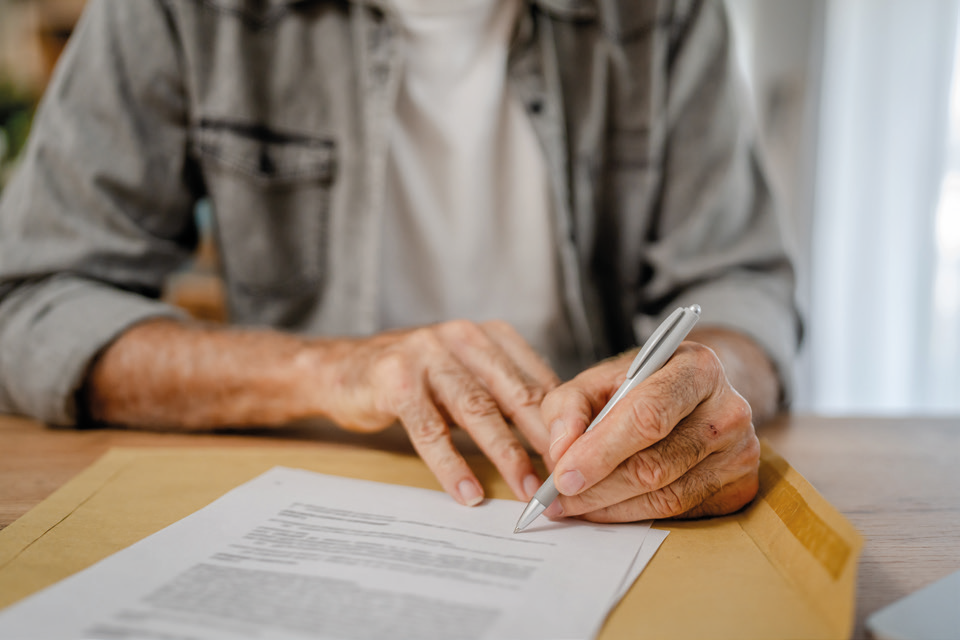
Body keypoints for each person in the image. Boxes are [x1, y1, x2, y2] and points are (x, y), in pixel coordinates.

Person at [0, 0, 800, 524]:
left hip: (586, 494)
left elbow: (739, 284)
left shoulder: (666, 14)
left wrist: (698, 386)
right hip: (302, 491)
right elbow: (31, 300)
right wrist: (331, 371)